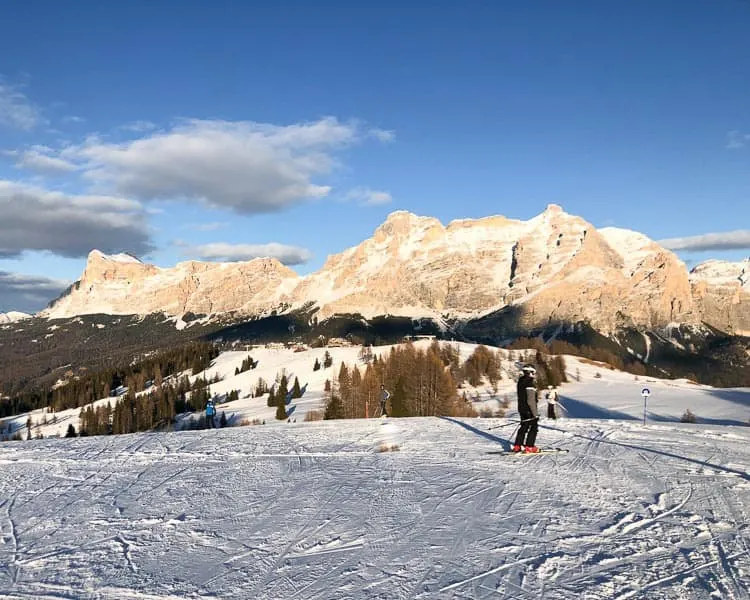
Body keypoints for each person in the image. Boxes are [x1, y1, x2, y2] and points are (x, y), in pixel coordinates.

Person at [513, 365, 540, 453]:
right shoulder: (530, 383)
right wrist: (535, 414)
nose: (534, 375)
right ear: (530, 372)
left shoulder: (520, 381)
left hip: (521, 408)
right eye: (533, 373)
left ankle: (517, 445)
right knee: (533, 427)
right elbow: (531, 400)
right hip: (529, 409)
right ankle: (529, 446)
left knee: (524, 426)